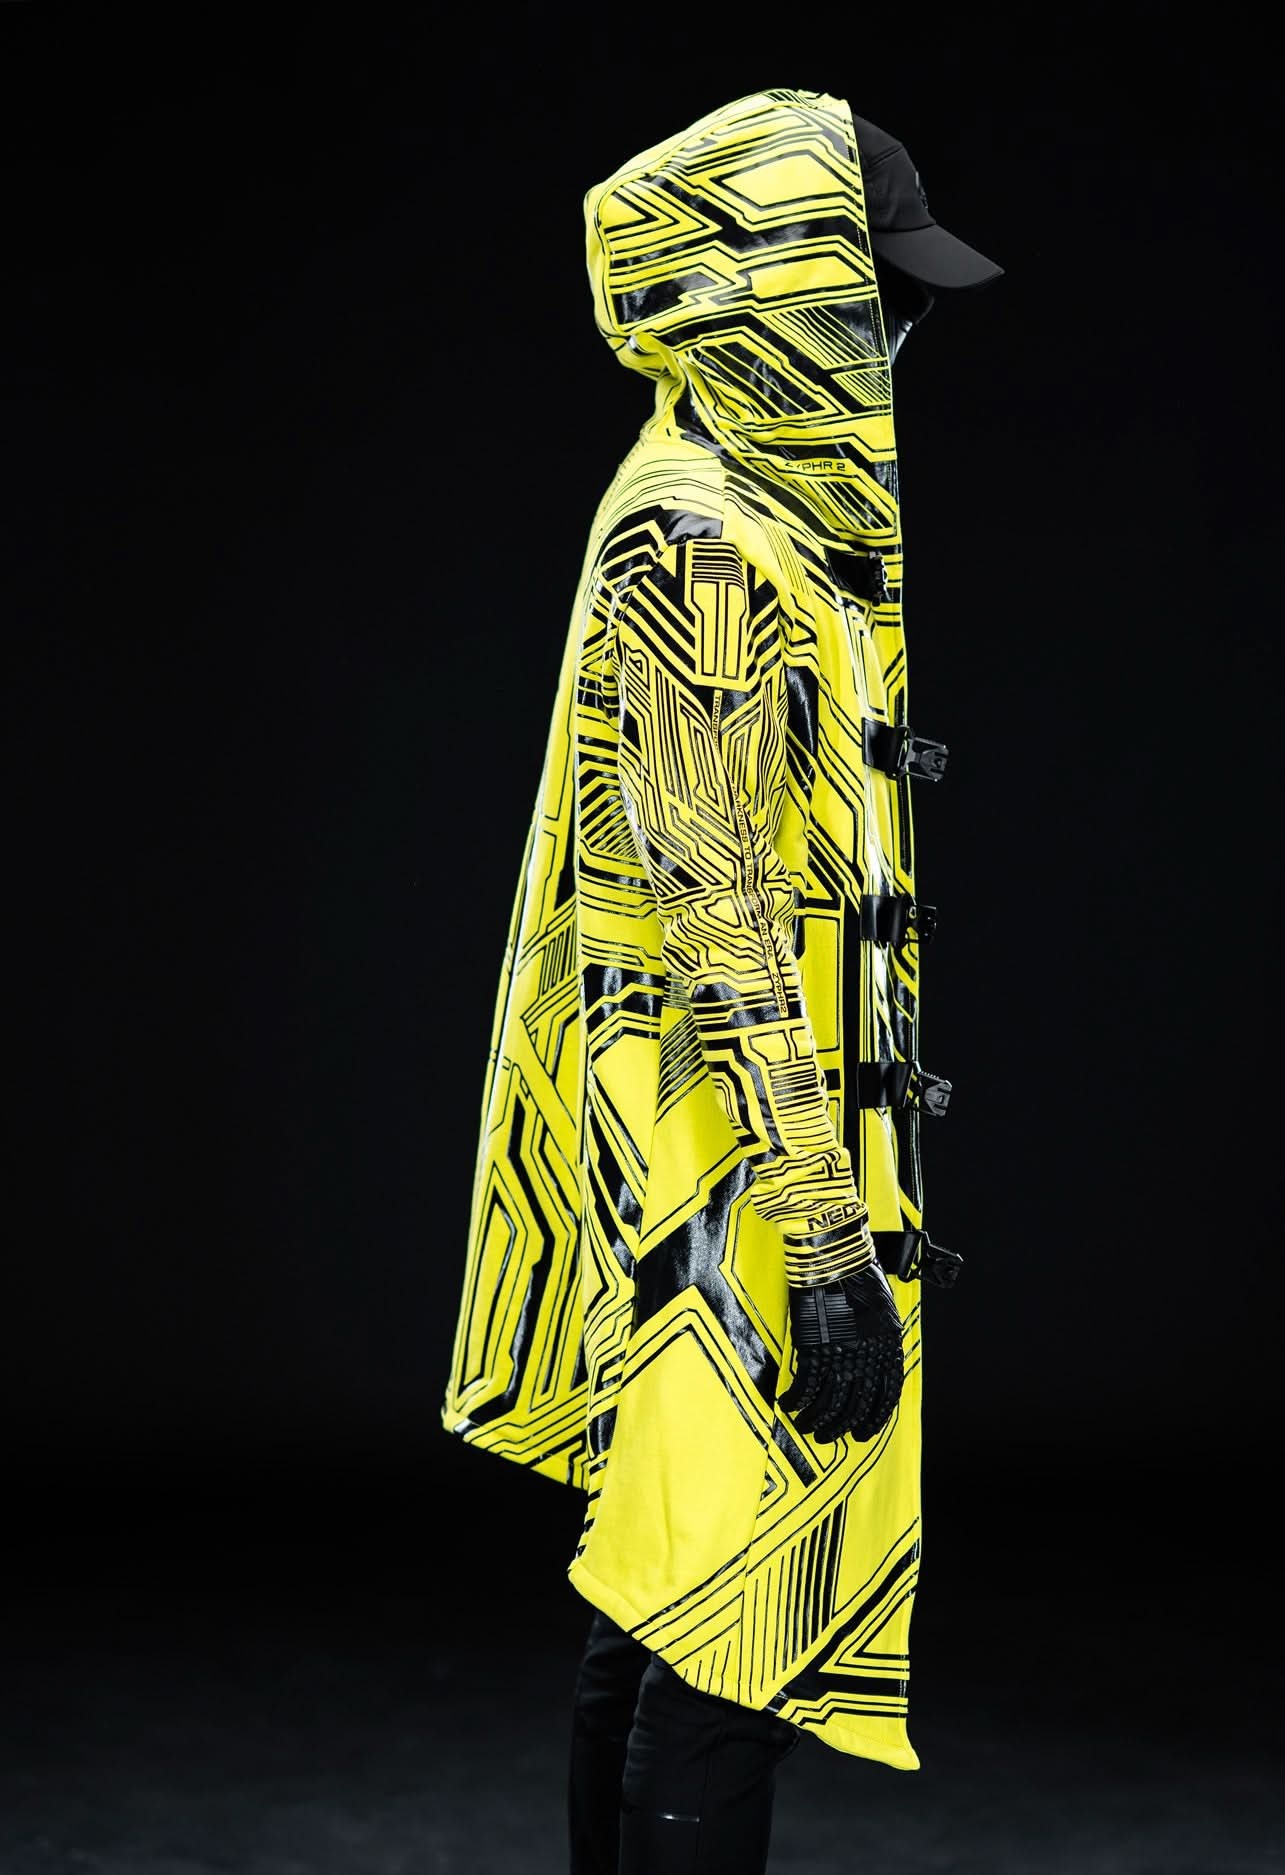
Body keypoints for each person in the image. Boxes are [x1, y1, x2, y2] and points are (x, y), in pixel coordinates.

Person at [439, 86, 1002, 1873]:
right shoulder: (701, 535)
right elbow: (720, 905)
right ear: (764, 287)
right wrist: (824, 1245)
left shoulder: (730, 503)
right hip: (731, 1173)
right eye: (867, 287)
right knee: (729, 1619)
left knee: (669, 1588)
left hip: (720, 1144)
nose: (896, 329)